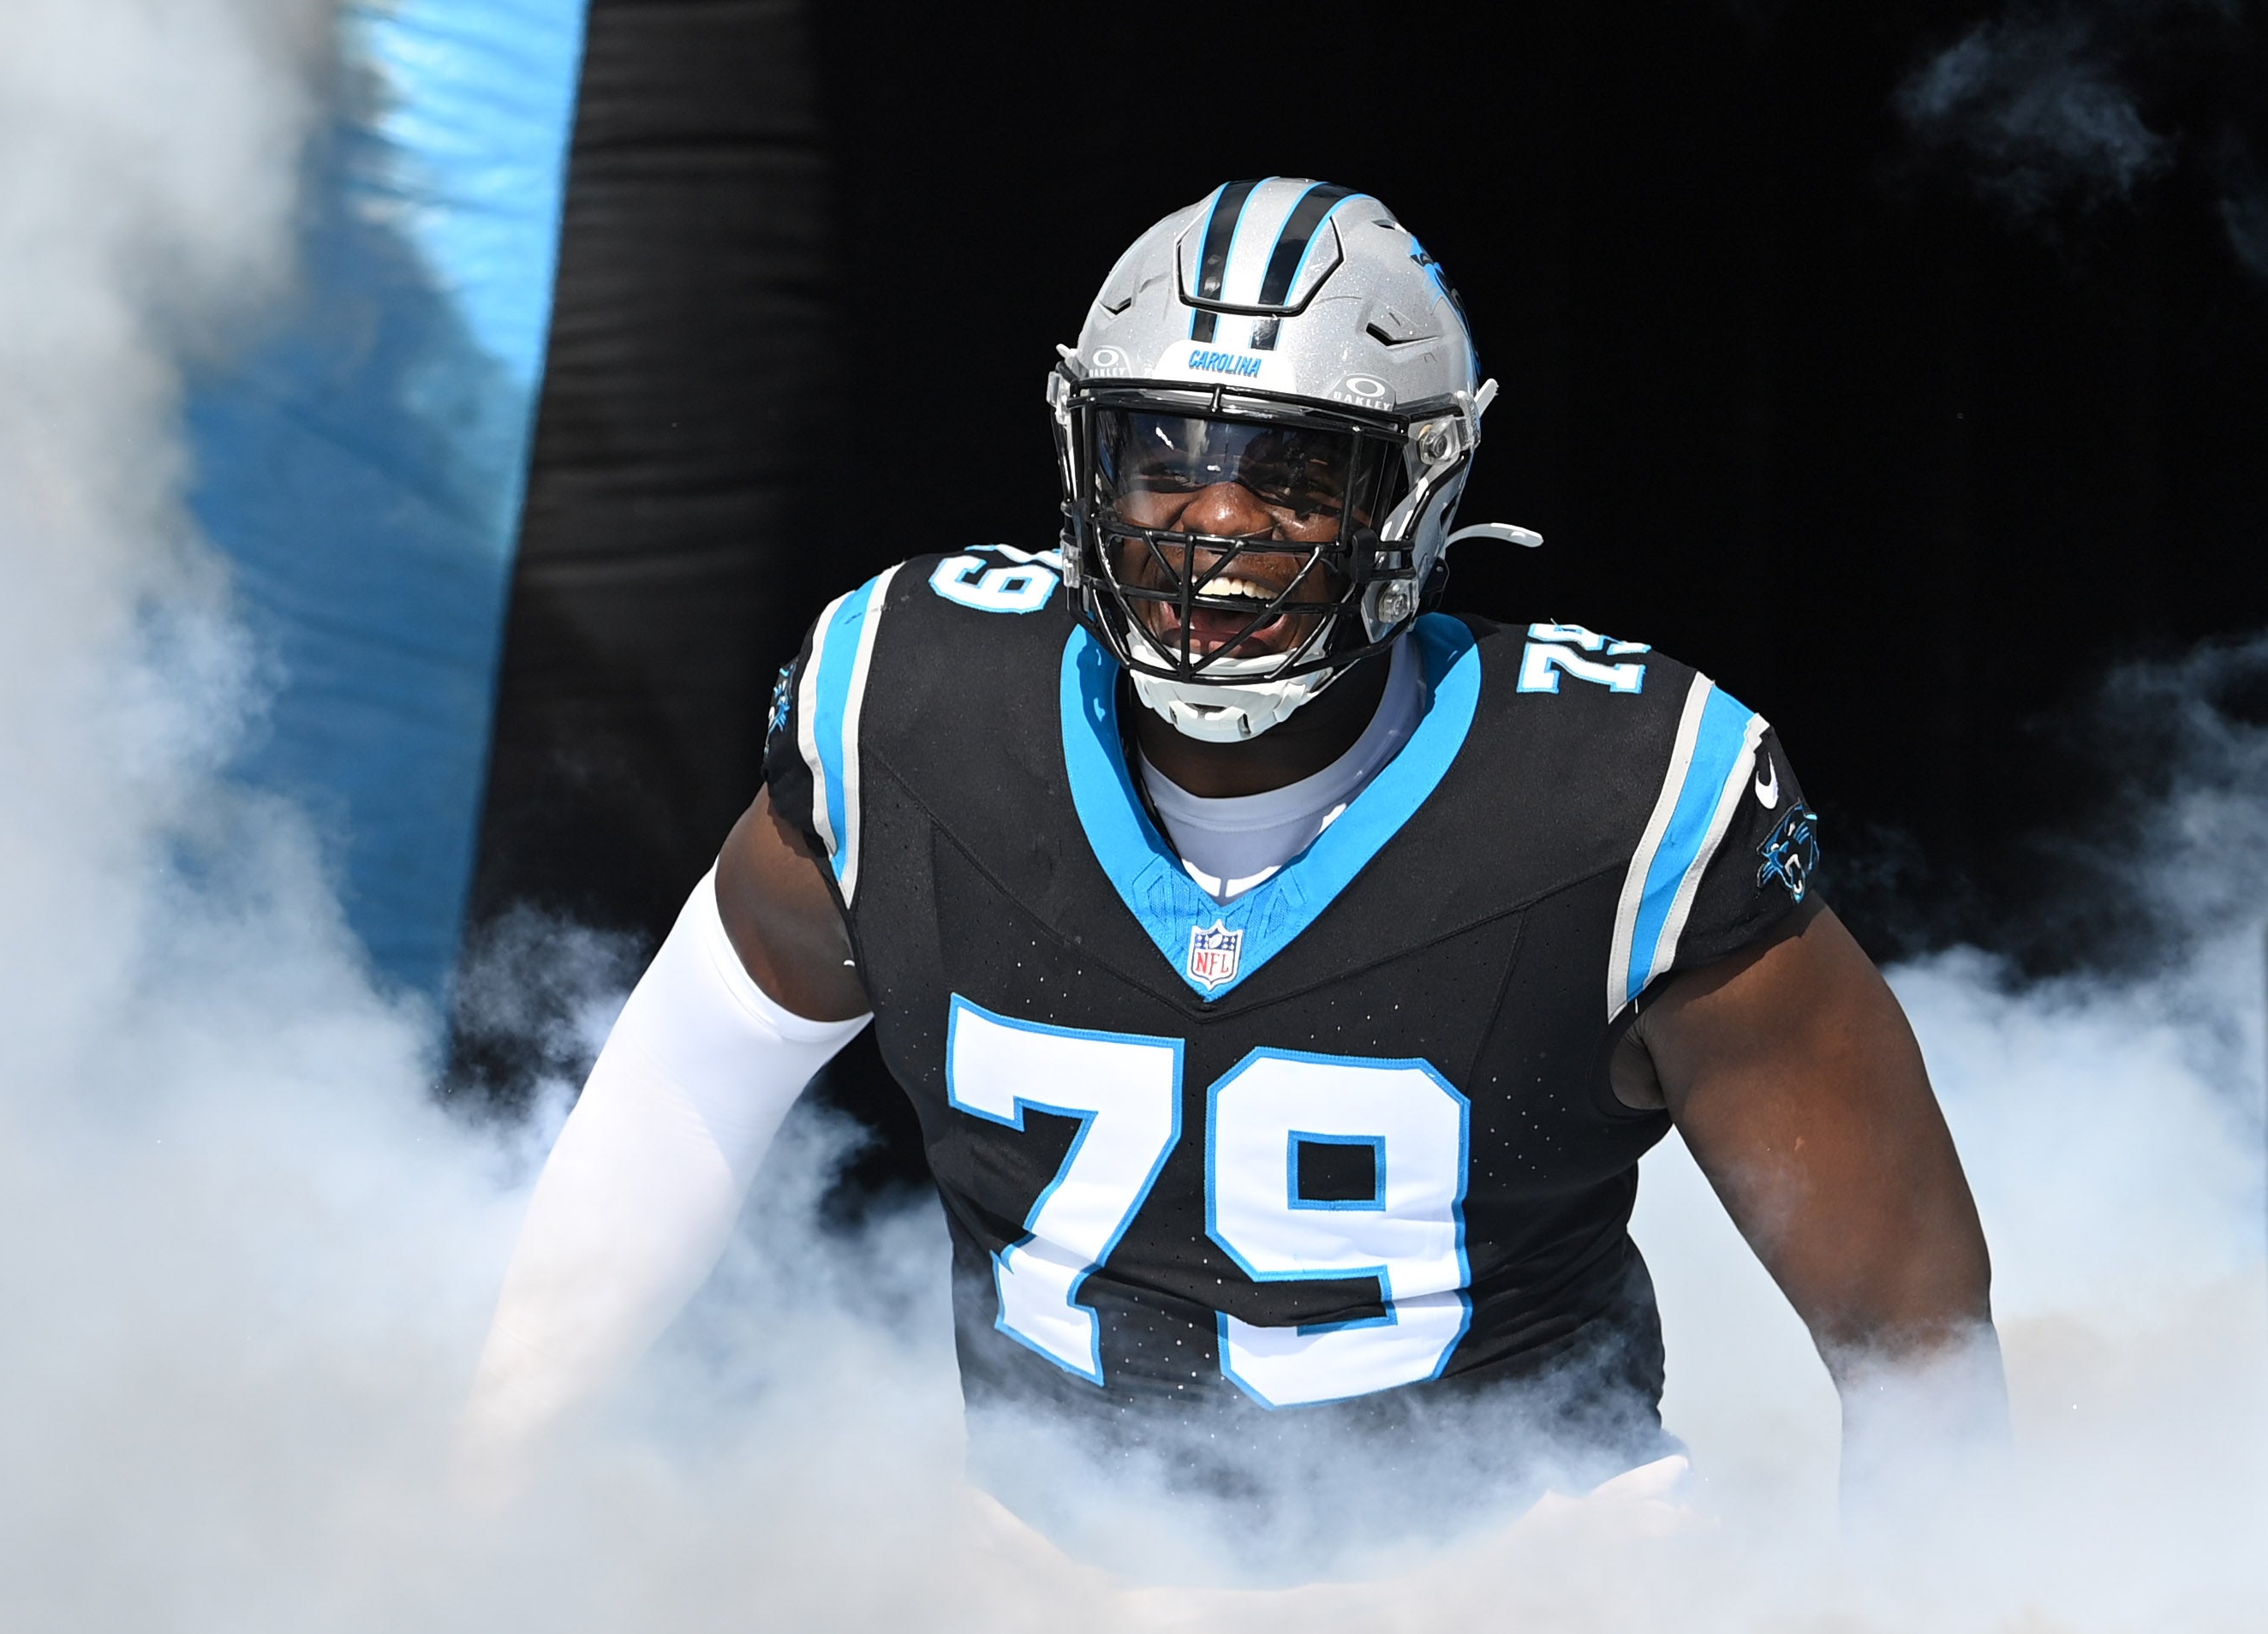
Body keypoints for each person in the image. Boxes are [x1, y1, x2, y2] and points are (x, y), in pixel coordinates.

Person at [458, 178, 2002, 1577]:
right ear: (1081, 461)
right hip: (1048, 1560)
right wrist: (487, 1463)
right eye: (1162, 458)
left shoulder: (1618, 797)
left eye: (1292, 472)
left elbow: (1910, 1330)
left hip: (1519, 1572)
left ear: (1414, 494)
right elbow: (689, 1070)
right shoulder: (913, 704)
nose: (1215, 523)